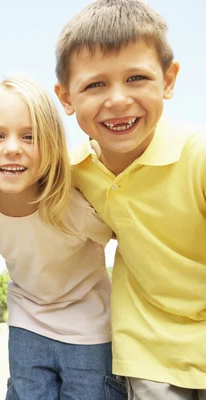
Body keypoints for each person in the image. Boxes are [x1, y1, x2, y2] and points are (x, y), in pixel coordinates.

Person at [54, 0, 206, 398]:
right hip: (149, 351)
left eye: (137, 77)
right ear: (66, 97)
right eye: (95, 84)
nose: (118, 100)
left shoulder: (198, 156)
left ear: (169, 80)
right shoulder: (73, 169)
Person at [0, 76, 126, 399]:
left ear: (51, 146)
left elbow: (123, 234)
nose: (12, 148)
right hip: (28, 324)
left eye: (29, 137)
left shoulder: (72, 208)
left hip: (89, 328)